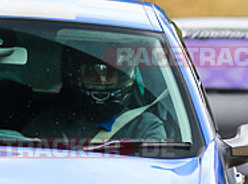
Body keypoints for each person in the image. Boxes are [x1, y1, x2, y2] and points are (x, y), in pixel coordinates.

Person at [26, 45, 167, 143]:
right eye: (93, 74)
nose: (102, 81)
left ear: (122, 78)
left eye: (110, 74)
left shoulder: (145, 127)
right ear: (78, 78)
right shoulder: (47, 125)